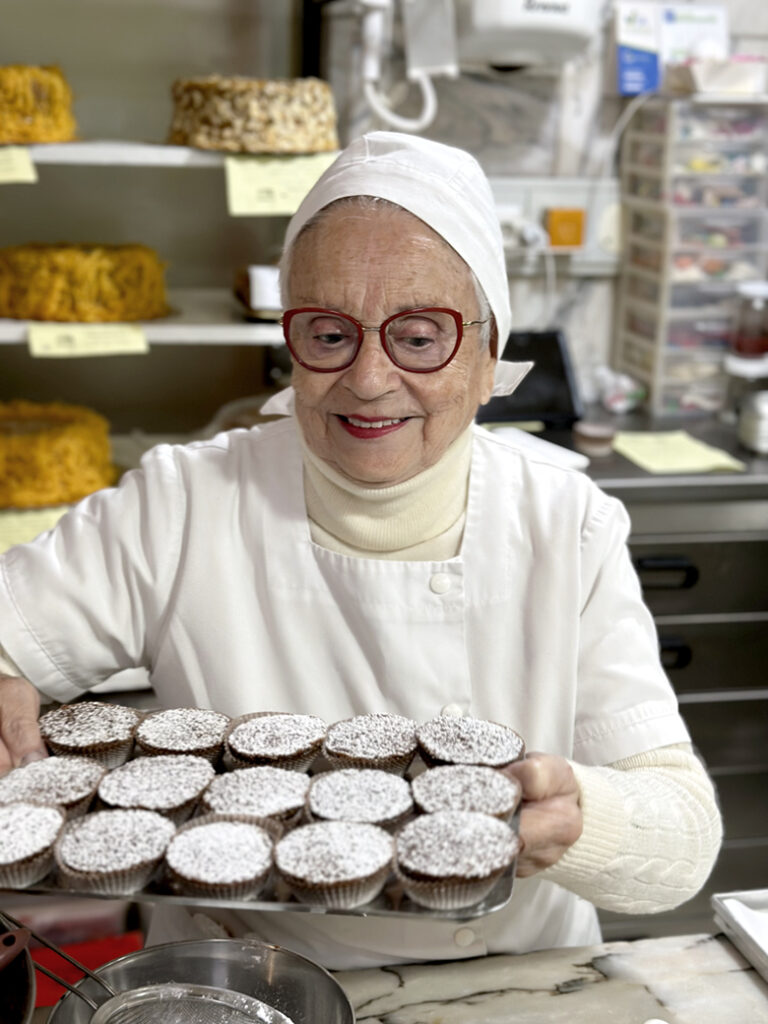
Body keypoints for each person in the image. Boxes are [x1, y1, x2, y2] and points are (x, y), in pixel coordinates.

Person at [0, 132, 721, 969]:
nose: (371, 379)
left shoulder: (568, 523)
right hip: (250, 984)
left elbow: (685, 839)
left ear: (490, 358)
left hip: (516, 988)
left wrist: (578, 818)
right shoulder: (183, 503)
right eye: (330, 333)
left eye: (419, 337)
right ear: (289, 343)